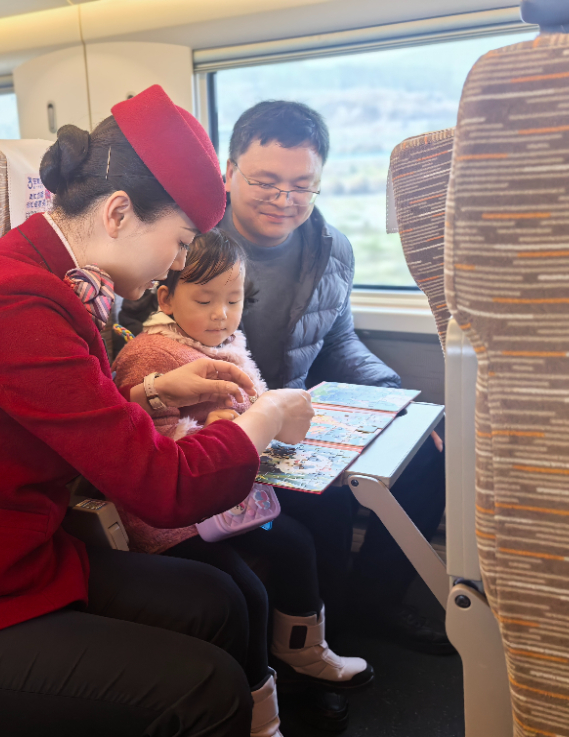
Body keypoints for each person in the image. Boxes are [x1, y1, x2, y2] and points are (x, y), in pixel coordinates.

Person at [0, 85, 316, 737]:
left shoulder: (47, 273)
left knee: (218, 600)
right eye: (180, 242)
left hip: (14, 560)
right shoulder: (14, 301)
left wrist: (154, 395)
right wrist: (265, 418)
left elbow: (58, 419)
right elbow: (166, 487)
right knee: (207, 691)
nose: (177, 264)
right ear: (119, 212)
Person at [121, 100, 449, 655]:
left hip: (290, 410)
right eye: (266, 182)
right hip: (218, 423)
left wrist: (391, 400)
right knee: (329, 504)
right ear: (229, 173)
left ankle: (375, 601)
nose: (284, 199)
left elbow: (338, 342)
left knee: (426, 455)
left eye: (302, 185)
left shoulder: (332, 249)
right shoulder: (186, 245)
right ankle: (322, 638)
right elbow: (137, 344)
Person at [112, 231, 373, 735]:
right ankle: (259, 714)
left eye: (233, 301)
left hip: (225, 504)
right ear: (165, 299)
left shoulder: (223, 343)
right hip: (172, 521)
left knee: (293, 541)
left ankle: (303, 651)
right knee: (245, 591)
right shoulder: (151, 355)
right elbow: (144, 446)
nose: (221, 315)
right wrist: (222, 430)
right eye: (204, 301)